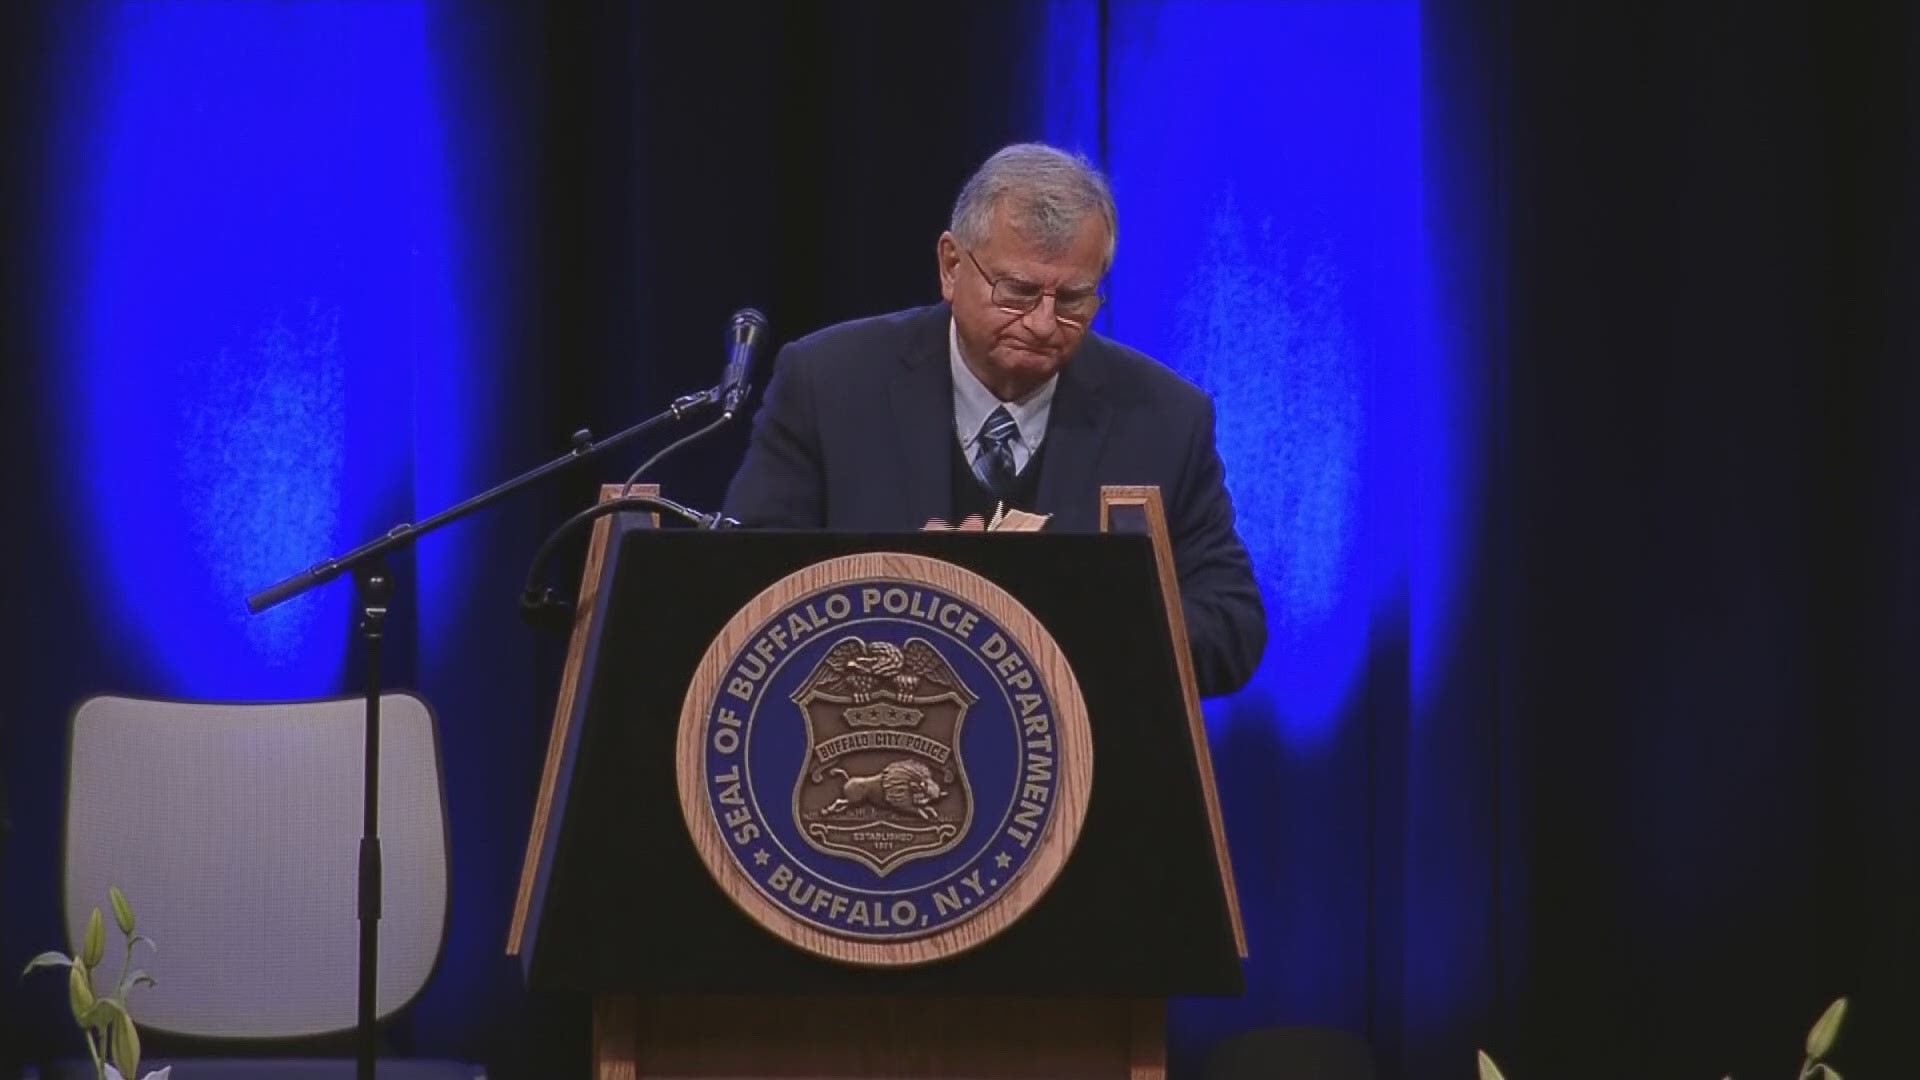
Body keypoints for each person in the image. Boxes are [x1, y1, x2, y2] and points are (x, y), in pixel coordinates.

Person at [723, 143, 1265, 697]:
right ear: (952, 266)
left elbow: (1233, 626)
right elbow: (744, 586)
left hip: (1090, 765)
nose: (1044, 322)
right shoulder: (828, 384)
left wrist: (1084, 623)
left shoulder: (1165, 419)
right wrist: (896, 596)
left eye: (1074, 298)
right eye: (1019, 292)